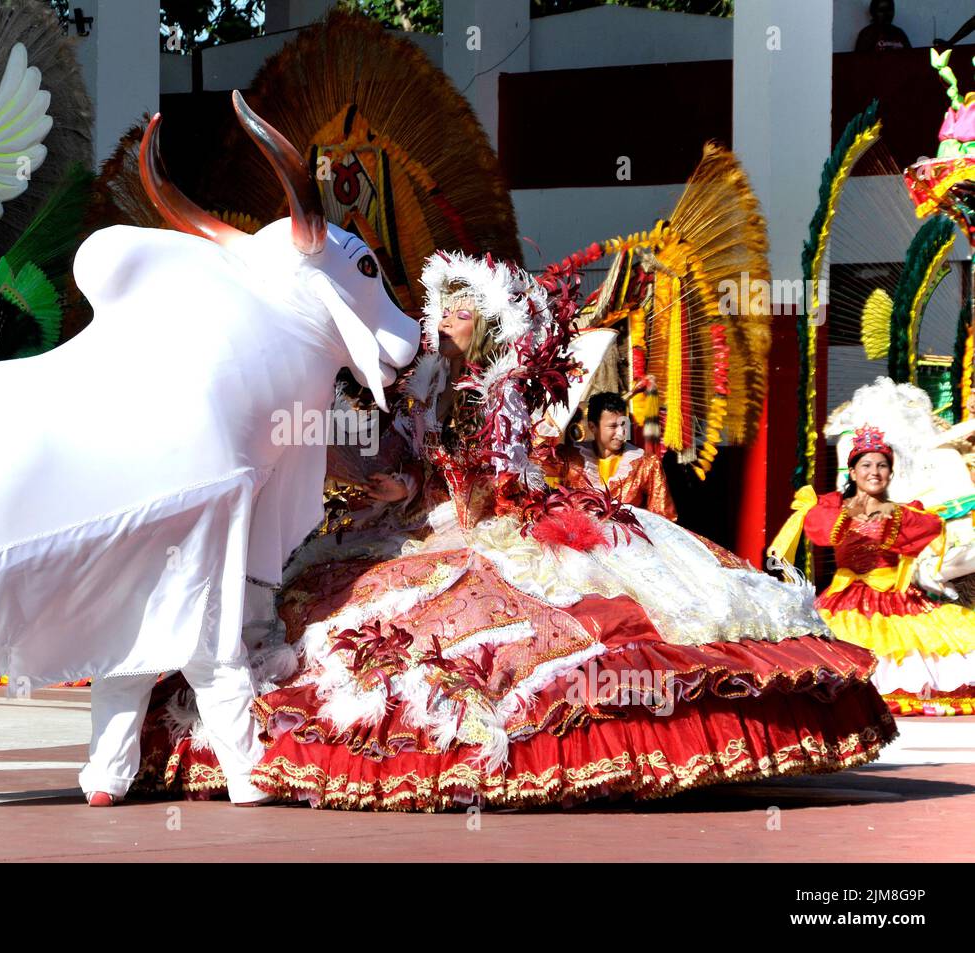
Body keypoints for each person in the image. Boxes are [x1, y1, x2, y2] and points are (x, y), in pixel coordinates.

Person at [137, 250, 896, 810]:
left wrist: (430, 485)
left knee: (522, 630)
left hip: (494, 526)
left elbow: (505, 475)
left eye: (461, 310)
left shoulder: (499, 391)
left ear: (491, 324)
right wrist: (388, 476)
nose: (443, 321)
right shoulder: (422, 381)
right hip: (415, 525)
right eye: (441, 311)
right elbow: (405, 455)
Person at [773, 425, 975, 716]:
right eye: (866, 465)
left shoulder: (906, 514)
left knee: (915, 653)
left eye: (882, 466)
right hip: (844, 601)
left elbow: (929, 531)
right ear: (852, 472)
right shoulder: (831, 509)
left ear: (890, 474)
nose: (875, 472)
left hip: (898, 599)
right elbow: (821, 532)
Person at [554, 391, 677, 520]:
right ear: (593, 427)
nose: (620, 433)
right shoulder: (570, 458)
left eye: (624, 425)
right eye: (612, 426)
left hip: (628, 538)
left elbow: (663, 517)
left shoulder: (646, 463)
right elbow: (537, 464)